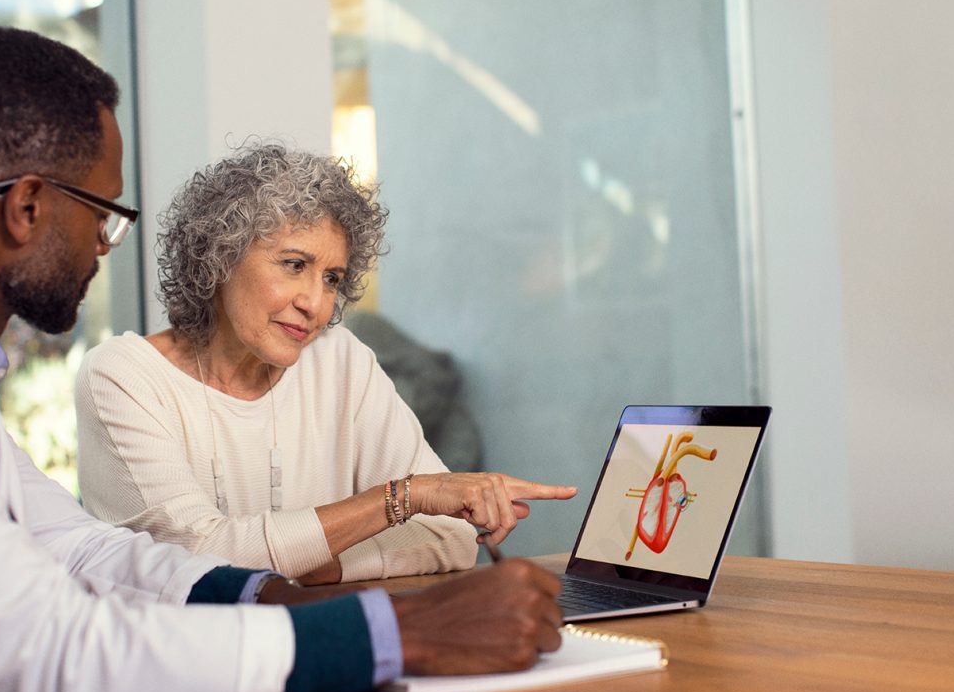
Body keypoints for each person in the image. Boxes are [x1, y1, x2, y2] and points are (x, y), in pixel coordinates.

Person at [0, 26, 565, 692]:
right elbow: (53, 667)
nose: (104, 246)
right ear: (30, 205)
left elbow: (81, 547)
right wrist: (393, 631)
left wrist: (274, 597)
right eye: (103, 215)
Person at [75, 144, 577, 584]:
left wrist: (326, 565)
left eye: (333, 278)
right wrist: (402, 498)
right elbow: (200, 562)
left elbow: (451, 538)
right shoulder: (123, 377)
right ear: (219, 257)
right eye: (294, 266)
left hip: (326, 655)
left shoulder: (339, 361)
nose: (316, 304)